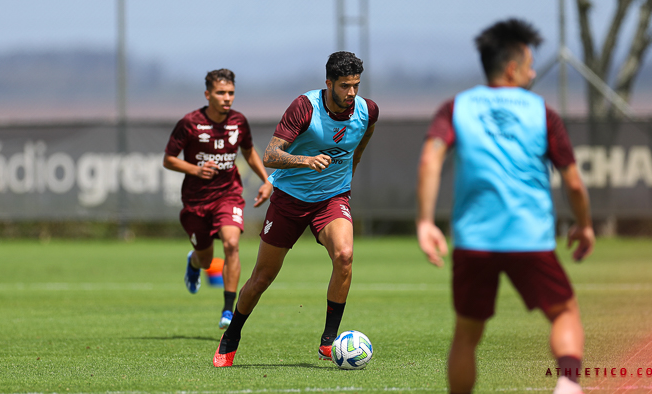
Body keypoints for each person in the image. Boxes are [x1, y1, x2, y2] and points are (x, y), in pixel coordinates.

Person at [416, 19, 595, 394]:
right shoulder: (542, 113)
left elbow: (430, 161)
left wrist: (425, 222)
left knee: (466, 335)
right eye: (530, 64)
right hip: (529, 238)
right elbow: (574, 182)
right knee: (564, 313)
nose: (533, 72)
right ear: (512, 68)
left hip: (474, 241)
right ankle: (567, 383)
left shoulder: (456, 107)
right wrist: (585, 224)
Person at [213, 51, 379, 367]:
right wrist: (304, 160)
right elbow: (270, 155)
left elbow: (362, 139)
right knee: (262, 277)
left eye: (356, 85)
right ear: (328, 83)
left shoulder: (368, 112)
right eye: (344, 86)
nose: (351, 93)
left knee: (344, 256)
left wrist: (349, 173)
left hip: (332, 200)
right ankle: (231, 336)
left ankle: (328, 342)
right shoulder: (305, 107)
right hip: (289, 199)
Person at [163, 69, 273, 330]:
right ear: (207, 94)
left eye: (231, 93)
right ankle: (193, 261)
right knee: (206, 259)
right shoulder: (190, 122)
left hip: (229, 194)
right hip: (196, 201)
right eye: (221, 93)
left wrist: (266, 181)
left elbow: (248, 151)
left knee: (232, 244)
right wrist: (196, 169)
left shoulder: (238, 121)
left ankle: (228, 309)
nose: (227, 98)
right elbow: (168, 159)